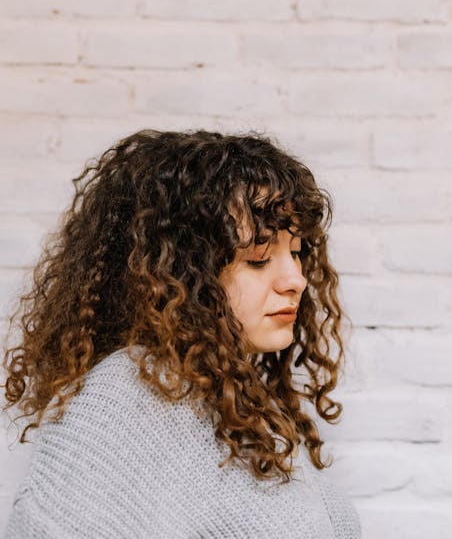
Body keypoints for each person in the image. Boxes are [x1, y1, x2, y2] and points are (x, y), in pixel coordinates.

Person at [2, 129, 361, 538]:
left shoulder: (237, 403)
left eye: (295, 252)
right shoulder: (123, 400)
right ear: (181, 271)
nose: (295, 279)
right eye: (259, 258)